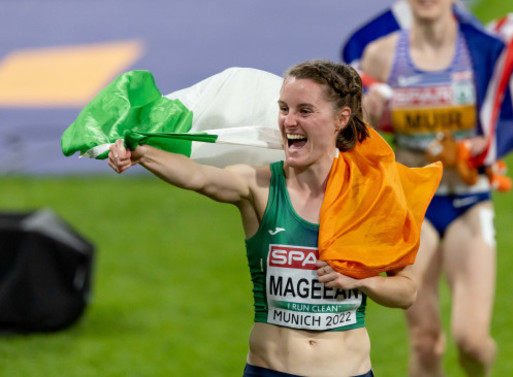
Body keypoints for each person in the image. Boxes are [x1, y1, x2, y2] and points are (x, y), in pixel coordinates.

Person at [108, 59, 418, 377]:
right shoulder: (259, 186)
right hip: (270, 369)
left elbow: (407, 291)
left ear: (341, 119)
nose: (289, 122)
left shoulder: (371, 196)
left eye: (305, 111)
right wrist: (141, 153)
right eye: (284, 109)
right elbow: (197, 176)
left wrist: (360, 281)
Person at [359, 0, 503, 376]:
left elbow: (506, 120)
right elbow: (361, 143)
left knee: (471, 342)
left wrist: (483, 147)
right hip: (411, 206)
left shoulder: (481, 52)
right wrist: (369, 112)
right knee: (425, 343)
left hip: (469, 200)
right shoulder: (381, 55)